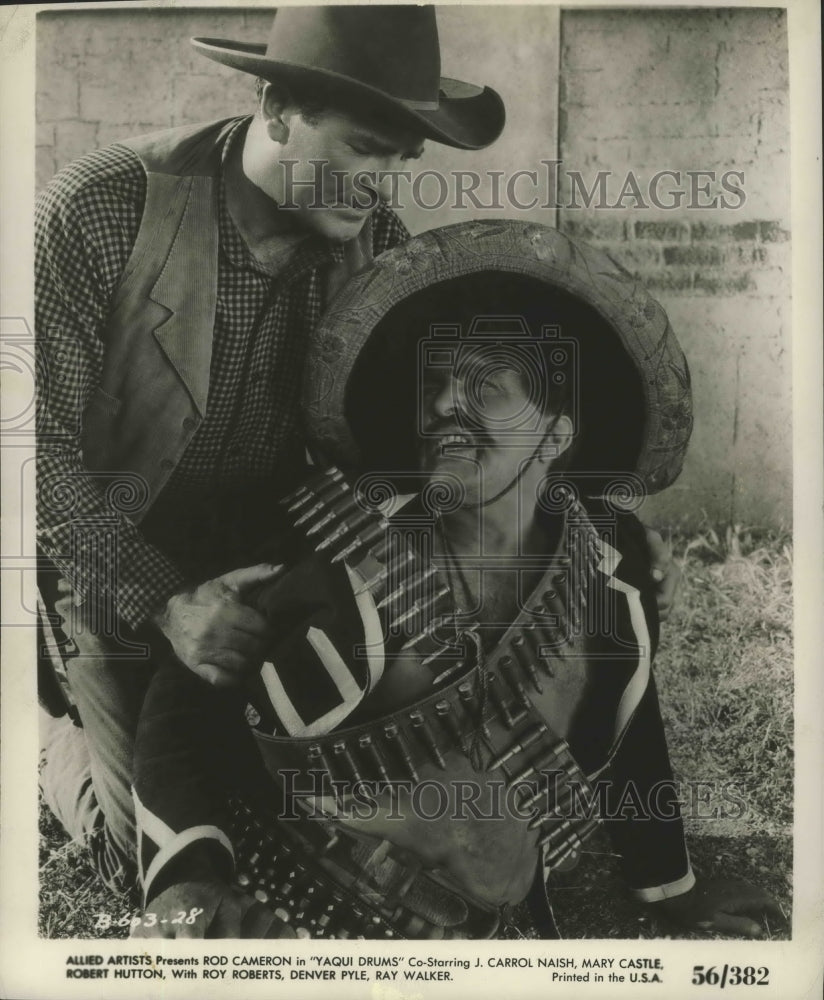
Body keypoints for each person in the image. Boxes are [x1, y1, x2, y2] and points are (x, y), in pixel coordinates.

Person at [127, 220, 780, 940]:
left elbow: (633, 736)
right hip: (299, 901)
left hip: (468, 938)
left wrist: (672, 891)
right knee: (99, 797)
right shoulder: (347, 556)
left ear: (556, 437)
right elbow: (187, 701)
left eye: (485, 388)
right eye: (436, 387)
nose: (442, 407)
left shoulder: (609, 586)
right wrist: (186, 872)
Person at [35, 6, 507, 892]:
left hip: (271, 566)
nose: (382, 185)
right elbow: (28, 449)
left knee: (273, 819)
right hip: (108, 557)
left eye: (403, 161)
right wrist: (165, 603)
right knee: (135, 843)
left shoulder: (380, 254)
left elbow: (404, 453)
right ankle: (32, 727)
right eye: (366, 148)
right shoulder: (106, 207)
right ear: (278, 105)